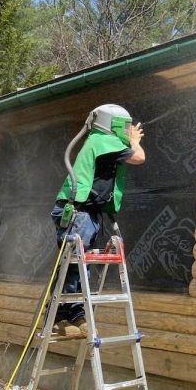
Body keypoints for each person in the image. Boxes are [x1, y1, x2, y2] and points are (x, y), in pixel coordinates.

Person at [50, 104, 145, 337]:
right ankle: (60, 318)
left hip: (87, 212)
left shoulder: (101, 142)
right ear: (110, 124)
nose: (127, 130)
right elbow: (139, 157)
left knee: (83, 267)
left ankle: (76, 316)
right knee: (72, 267)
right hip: (78, 212)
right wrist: (134, 140)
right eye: (123, 126)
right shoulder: (102, 142)